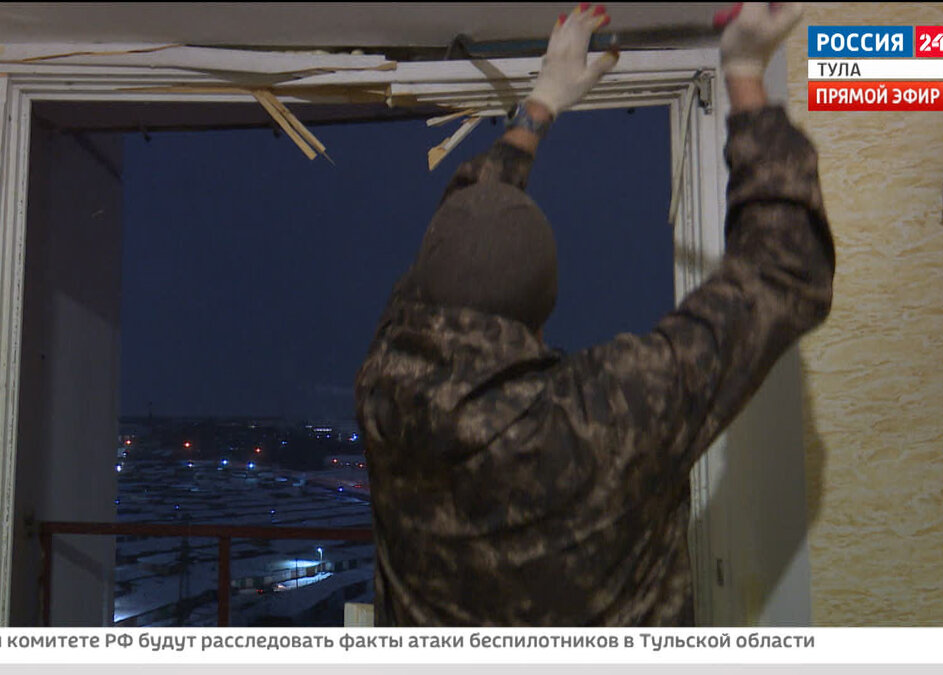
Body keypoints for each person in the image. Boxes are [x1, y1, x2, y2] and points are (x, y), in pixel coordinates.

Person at [354, 2, 834, 626]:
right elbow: (784, 267)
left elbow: (462, 228)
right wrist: (745, 69)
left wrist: (539, 105)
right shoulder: (611, 412)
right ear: (546, 310)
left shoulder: (385, 391)